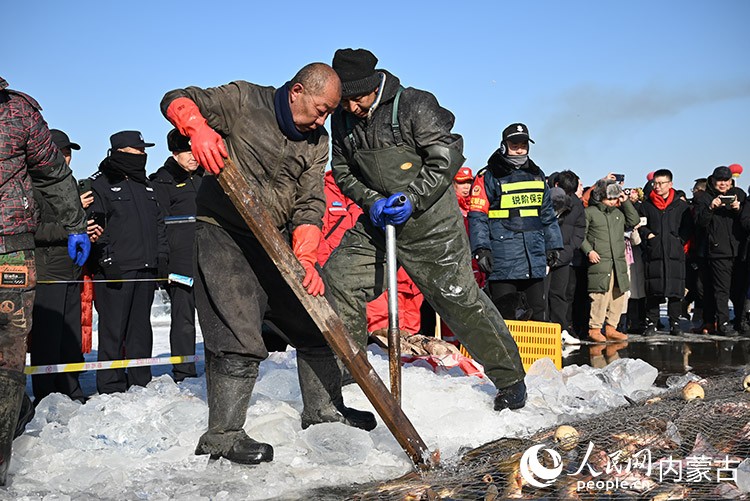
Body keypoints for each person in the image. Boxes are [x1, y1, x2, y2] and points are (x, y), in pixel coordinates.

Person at [160, 62, 376, 465]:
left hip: (275, 242)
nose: (322, 119)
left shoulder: (317, 142)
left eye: (329, 112)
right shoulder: (243, 100)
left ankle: (323, 411)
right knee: (238, 332)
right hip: (224, 231)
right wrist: (198, 128)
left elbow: (311, 202)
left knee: (314, 320)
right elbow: (175, 98)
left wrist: (307, 257)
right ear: (296, 91)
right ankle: (222, 435)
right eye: (321, 108)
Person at [323, 48, 527, 411]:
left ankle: (510, 378)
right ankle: (350, 373)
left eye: (357, 99)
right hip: (377, 221)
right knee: (338, 276)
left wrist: (412, 198)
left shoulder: (414, 105)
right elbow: (342, 170)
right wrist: (371, 201)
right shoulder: (343, 119)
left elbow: (446, 156)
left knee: (460, 298)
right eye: (345, 100)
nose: (351, 108)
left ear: (373, 86)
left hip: (430, 221)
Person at [0, 77, 89, 486]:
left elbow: (53, 175)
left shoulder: (17, 111)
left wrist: (74, 223)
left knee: (8, 355)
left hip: (11, 247)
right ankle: (16, 411)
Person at [87, 131, 169, 394]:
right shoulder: (100, 184)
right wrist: (105, 258)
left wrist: (161, 258)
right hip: (115, 270)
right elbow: (95, 227)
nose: (143, 155)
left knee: (140, 330)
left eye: (144, 152)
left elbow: (158, 224)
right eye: (138, 151)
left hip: (145, 268)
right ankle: (110, 385)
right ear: (122, 152)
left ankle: (140, 381)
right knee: (114, 330)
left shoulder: (145, 184)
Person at [469, 123, 563, 322]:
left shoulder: (537, 176)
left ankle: (538, 354)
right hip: (502, 258)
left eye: (523, 144)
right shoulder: (488, 176)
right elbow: (478, 217)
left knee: (538, 313)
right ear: (504, 146)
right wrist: (481, 249)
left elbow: (547, 215)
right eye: (515, 145)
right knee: (506, 315)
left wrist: (553, 245)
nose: (520, 149)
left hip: (534, 257)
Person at [29, 129, 88, 404]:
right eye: (61, 152)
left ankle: (71, 389)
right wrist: (72, 230)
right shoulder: (33, 186)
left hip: (71, 270)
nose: (66, 158)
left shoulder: (71, 184)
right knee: (47, 339)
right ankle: (46, 394)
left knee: (70, 337)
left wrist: (88, 229)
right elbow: (33, 229)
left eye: (68, 152)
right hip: (47, 272)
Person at [150, 129, 204, 382]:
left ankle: (218, 366)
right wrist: (164, 263)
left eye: (195, 150)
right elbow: (157, 225)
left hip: (209, 260)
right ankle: (184, 371)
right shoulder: (162, 181)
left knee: (216, 317)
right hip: (180, 263)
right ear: (175, 153)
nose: (193, 157)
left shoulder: (207, 177)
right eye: (187, 151)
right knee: (183, 320)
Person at [581, 180, 640, 342]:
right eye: (610, 198)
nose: (614, 201)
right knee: (600, 295)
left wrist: (626, 201)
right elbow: (581, 235)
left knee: (618, 294)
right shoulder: (590, 212)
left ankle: (611, 327)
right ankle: (595, 328)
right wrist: (589, 251)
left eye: (615, 198)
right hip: (600, 261)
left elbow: (634, 221)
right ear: (600, 197)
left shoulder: (618, 213)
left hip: (618, 261)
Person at [638, 169, 693, 336]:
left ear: (670, 184)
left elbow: (688, 227)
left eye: (661, 183)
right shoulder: (646, 205)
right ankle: (652, 322)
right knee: (653, 289)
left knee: (676, 290)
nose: (657, 186)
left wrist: (678, 241)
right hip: (654, 253)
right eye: (655, 183)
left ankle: (675, 323)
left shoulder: (681, 206)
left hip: (674, 253)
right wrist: (649, 236)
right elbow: (640, 226)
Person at [694, 166, 747, 336]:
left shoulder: (739, 194)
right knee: (721, 290)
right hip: (717, 251)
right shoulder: (704, 198)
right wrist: (711, 207)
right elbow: (700, 223)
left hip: (738, 250)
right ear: (713, 180)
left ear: (731, 181)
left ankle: (740, 321)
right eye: (719, 180)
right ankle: (723, 323)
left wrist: (738, 209)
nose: (723, 184)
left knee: (739, 289)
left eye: (726, 180)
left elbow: (746, 221)